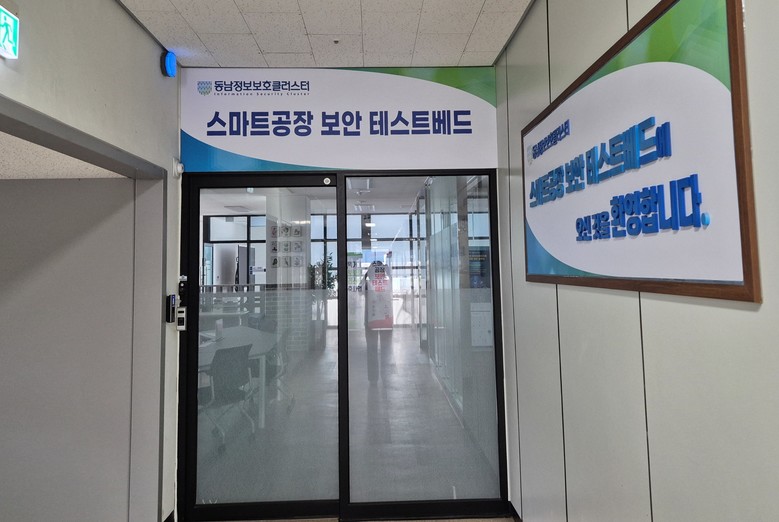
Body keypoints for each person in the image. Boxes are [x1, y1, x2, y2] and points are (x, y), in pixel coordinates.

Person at [362, 260, 393, 383]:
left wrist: (367, 274)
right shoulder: (384, 281)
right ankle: (382, 377)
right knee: (382, 349)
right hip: (380, 319)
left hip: (373, 319)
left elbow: (359, 290)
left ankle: (375, 378)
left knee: (374, 349)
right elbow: (359, 290)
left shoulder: (383, 281)